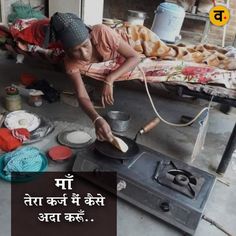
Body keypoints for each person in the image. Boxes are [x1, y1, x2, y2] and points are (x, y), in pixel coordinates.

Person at [44, 12, 141, 142]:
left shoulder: (102, 33)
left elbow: (135, 57)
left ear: (89, 36)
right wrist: (96, 118)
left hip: (129, 37)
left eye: (85, 45)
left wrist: (110, 79)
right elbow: (82, 95)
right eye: (75, 50)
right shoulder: (70, 62)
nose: (84, 54)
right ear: (67, 51)